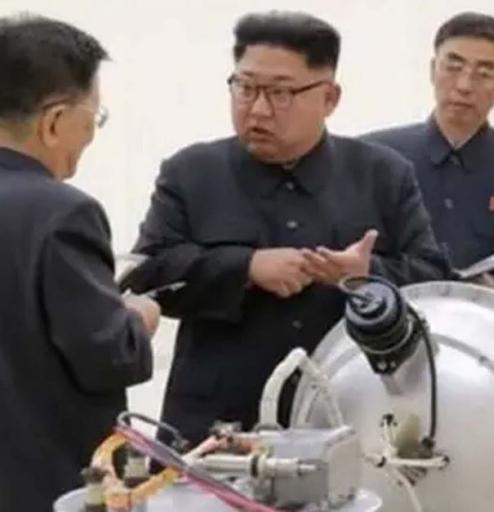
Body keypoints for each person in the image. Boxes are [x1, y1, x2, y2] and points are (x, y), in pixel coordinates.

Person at [128, 11, 448, 447]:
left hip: (353, 417)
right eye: (245, 88)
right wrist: (246, 267)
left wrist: (364, 275)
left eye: (280, 93)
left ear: (329, 98)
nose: (258, 109)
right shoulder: (191, 172)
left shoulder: (383, 175)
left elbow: (435, 281)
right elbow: (148, 274)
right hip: (215, 424)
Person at [0, 14, 160, 511]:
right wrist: (136, 319)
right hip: (43, 483)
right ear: (54, 122)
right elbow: (106, 355)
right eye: (93, 117)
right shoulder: (61, 213)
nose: (92, 133)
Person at [364, 12, 494, 293]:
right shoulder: (373, 156)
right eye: (453, 67)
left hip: (484, 318)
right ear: (432, 71)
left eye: (484, 74)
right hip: (391, 314)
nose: (464, 85)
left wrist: (493, 287)